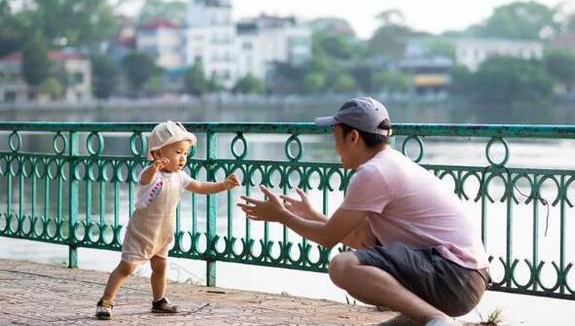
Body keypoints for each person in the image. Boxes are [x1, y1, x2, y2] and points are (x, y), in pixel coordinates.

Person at [237, 97, 490, 326]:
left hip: (454, 277)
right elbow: (361, 240)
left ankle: (437, 319)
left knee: (342, 266)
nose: (335, 146)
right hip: (461, 277)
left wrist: (281, 216)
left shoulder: (374, 172)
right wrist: (311, 215)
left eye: (336, 136)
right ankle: (430, 317)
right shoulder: (388, 163)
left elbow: (328, 239)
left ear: (354, 137)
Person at [95, 121, 240, 320]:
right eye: (178, 152)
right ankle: (106, 301)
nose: (182, 158)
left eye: (186, 154)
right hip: (142, 232)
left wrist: (223, 185)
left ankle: (159, 300)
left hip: (163, 232)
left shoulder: (180, 177)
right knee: (127, 267)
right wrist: (154, 168)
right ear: (157, 154)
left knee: (161, 266)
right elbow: (145, 178)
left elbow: (199, 186)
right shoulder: (151, 175)